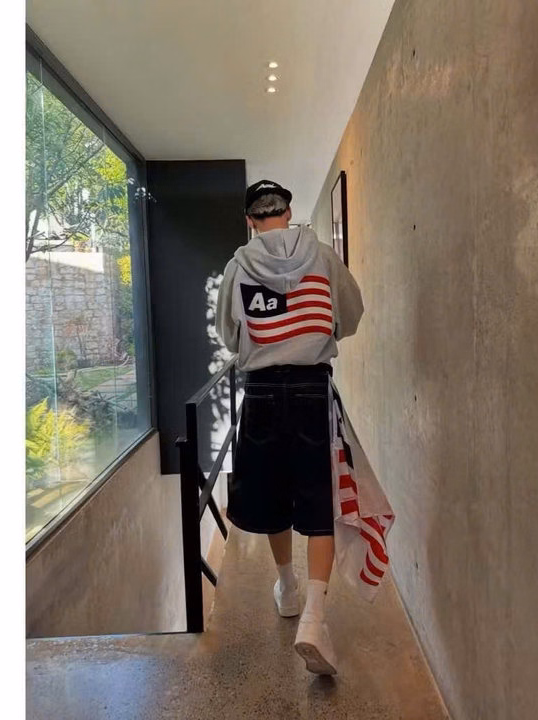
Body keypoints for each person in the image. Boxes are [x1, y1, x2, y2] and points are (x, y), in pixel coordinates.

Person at [215, 179, 363, 675]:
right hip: (311, 389)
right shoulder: (323, 256)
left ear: (250, 220)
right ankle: (315, 617)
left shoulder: (238, 265)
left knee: (272, 492)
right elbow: (351, 315)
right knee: (319, 495)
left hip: (260, 392)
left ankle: (287, 587)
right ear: (288, 210)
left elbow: (229, 334)